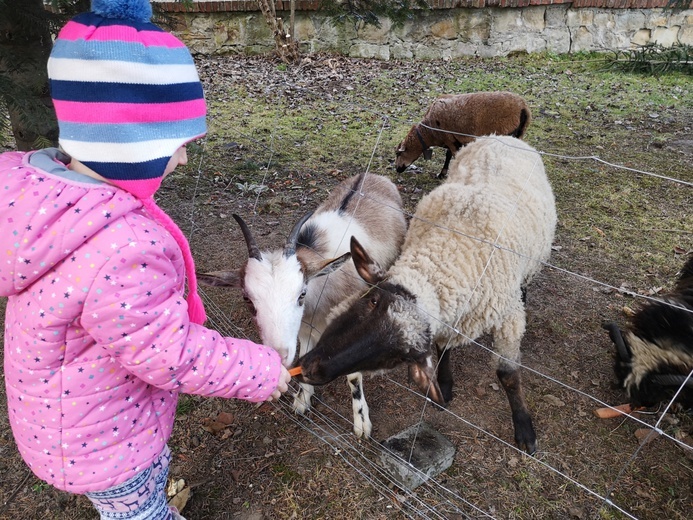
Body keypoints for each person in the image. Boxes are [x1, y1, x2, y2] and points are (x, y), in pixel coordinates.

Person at [0, 1, 291, 519]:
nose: (182, 159)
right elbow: (172, 353)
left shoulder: (52, 205)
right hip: (103, 446)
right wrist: (262, 370)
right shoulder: (123, 249)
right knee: (137, 513)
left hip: (76, 418)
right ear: (127, 145)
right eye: (177, 144)